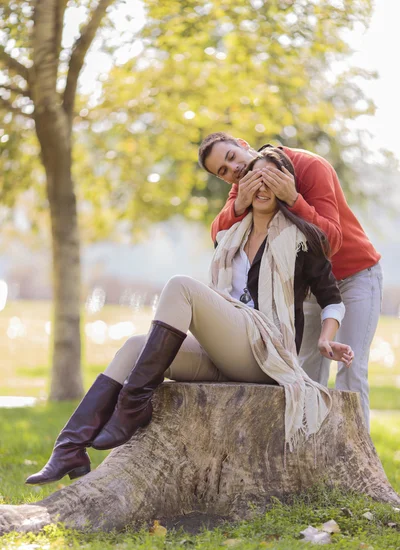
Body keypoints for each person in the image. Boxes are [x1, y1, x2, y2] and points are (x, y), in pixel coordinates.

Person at [26, 148, 353, 487]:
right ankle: (70, 446)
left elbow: (332, 299)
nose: (261, 185)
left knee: (181, 286)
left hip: (266, 353)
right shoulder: (229, 239)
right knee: (133, 346)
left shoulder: (304, 239)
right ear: (242, 186)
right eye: (254, 177)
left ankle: (132, 405)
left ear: (285, 185)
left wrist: (326, 338)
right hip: (228, 350)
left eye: (271, 178)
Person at [198, 132, 382, 430]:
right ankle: (309, 450)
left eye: (231, 157)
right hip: (308, 287)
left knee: (350, 367)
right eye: (223, 171)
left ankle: (357, 455)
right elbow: (218, 237)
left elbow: (330, 242)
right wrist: (237, 204)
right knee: (306, 370)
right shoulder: (244, 183)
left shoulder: (311, 166)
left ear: (244, 145)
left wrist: (293, 199)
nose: (233, 170)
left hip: (354, 276)